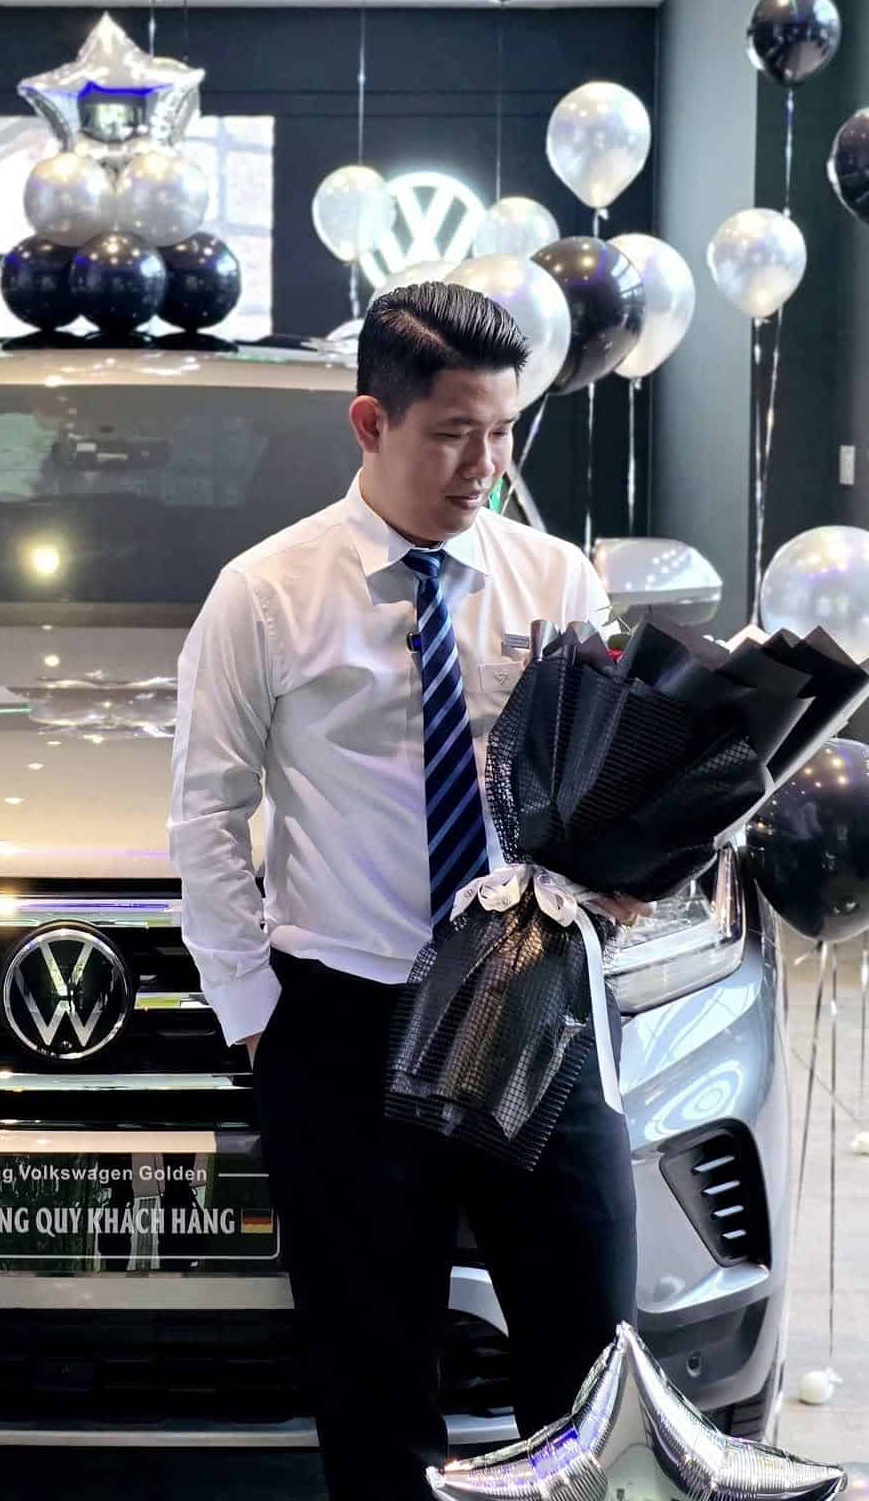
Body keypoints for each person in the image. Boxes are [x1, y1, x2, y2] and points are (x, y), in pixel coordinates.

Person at [167, 282, 643, 1501]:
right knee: (375, 1382)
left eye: (503, 431)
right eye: (453, 434)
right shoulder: (267, 592)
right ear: (371, 422)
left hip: (533, 998)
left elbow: (595, 779)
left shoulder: (556, 580)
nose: (484, 464)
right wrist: (257, 1014)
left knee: (588, 1355)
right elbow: (207, 815)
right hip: (349, 1021)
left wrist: (627, 863)